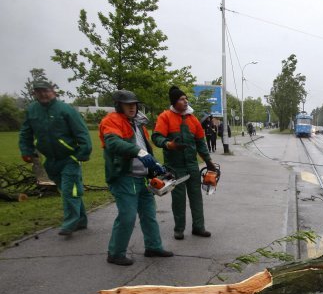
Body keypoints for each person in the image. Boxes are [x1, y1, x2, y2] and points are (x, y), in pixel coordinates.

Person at [99, 90, 173, 266]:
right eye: (128, 104)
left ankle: (153, 246)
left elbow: (145, 149)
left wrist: (156, 165)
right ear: (119, 105)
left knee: (149, 214)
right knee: (127, 216)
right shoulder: (111, 121)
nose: (132, 107)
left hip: (142, 178)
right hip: (125, 177)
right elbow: (113, 143)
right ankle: (115, 253)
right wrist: (138, 152)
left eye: (134, 104)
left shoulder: (138, 124)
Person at [18, 80, 92, 236]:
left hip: (69, 157)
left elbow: (82, 132)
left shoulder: (65, 110)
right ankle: (81, 220)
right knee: (68, 190)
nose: (43, 94)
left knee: (69, 190)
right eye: (39, 92)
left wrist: (83, 153)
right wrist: (27, 150)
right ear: (34, 94)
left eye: (46, 91)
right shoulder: (32, 110)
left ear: (53, 92)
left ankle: (69, 223)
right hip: (50, 160)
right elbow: (25, 132)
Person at [152, 86, 217, 240]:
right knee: (178, 199)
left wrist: (208, 161)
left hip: (192, 166)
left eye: (186, 98)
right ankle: (179, 229)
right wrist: (168, 144)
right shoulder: (165, 117)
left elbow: (200, 142)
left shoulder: (192, 119)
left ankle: (198, 227)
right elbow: (156, 137)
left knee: (196, 197)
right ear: (174, 102)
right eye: (182, 99)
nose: (185, 101)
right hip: (175, 167)